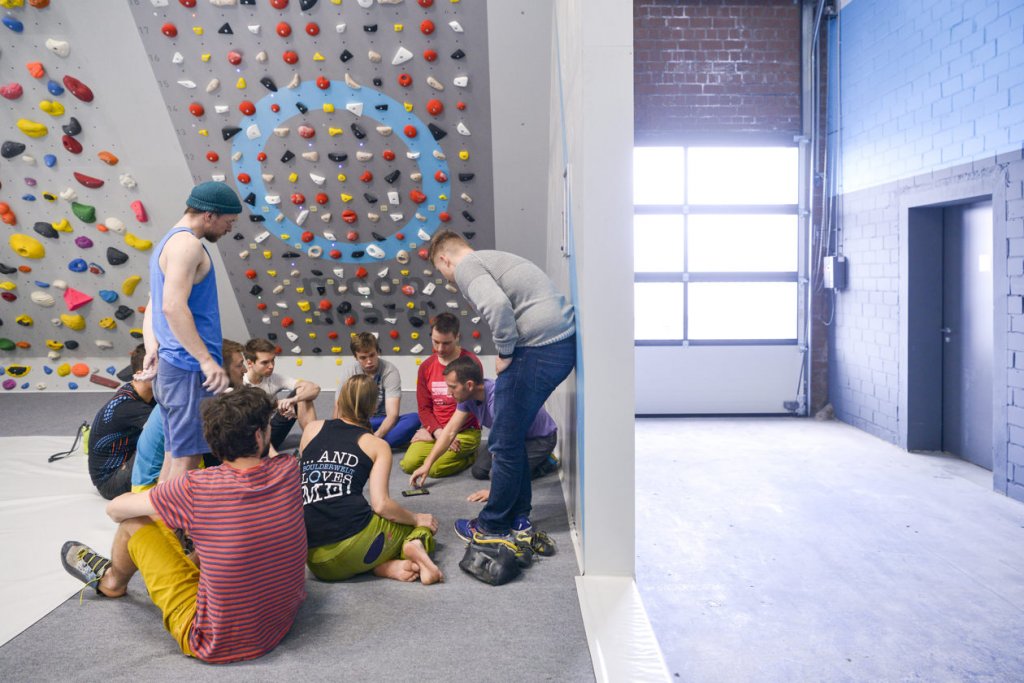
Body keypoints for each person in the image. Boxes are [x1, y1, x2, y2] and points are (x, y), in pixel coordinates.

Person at [59, 387, 307, 664]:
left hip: (214, 641)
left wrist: (162, 498)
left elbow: (114, 509)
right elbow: (265, 456)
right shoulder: (288, 469)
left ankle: (112, 582)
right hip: (278, 621)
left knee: (134, 521)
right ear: (259, 436)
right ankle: (183, 561)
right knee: (235, 527)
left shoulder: (197, 487)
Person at [428, 230, 576, 562]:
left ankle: (491, 525)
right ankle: (519, 517)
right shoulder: (492, 260)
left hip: (537, 348)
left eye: (441, 272)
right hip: (556, 344)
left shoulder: (467, 266)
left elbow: (496, 305)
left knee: (503, 442)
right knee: (512, 439)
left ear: (444, 259)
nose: (447, 279)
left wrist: (505, 351)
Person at [138, 181, 242, 483]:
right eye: (228, 221)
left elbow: (154, 304)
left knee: (174, 453)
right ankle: (172, 515)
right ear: (209, 215)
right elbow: (171, 307)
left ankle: (161, 511)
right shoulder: (188, 246)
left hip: (174, 364)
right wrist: (206, 361)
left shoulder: (168, 242)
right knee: (187, 459)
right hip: (188, 368)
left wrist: (152, 347)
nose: (229, 228)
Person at [299, 374, 442, 585]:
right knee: (420, 524)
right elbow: (381, 505)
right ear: (374, 408)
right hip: (355, 545)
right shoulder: (377, 445)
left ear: (339, 401)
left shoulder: (311, 430)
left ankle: (382, 567)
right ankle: (414, 545)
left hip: (314, 561)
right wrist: (415, 518)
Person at [409, 356, 560, 494]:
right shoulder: (468, 396)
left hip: (539, 439)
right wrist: (427, 464)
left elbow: (508, 445)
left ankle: (545, 463)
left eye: (453, 387)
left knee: (498, 475)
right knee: (479, 470)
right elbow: (449, 432)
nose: (449, 392)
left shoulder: (498, 402)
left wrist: (495, 492)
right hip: (512, 436)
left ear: (469, 385)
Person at [130, 339, 246, 493]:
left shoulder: (193, 396)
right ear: (221, 370)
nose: (245, 370)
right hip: (152, 486)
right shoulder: (194, 404)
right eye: (239, 365)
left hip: (158, 480)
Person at [399, 312, 483, 478]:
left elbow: (474, 404)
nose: (440, 349)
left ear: (457, 337)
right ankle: (439, 444)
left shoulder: (470, 363)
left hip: (464, 430)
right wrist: (435, 432)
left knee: (435, 469)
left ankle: (471, 456)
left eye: (446, 343)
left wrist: (448, 434)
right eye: (435, 342)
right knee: (408, 465)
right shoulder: (426, 367)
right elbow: (424, 408)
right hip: (437, 430)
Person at [87, 344, 156, 500]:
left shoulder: (142, 393)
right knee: (165, 441)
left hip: (124, 465)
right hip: (110, 482)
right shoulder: (129, 406)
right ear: (140, 374)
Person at [336, 332, 419, 449]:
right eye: (363, 358)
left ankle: (362, 444)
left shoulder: (390, 371)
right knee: (335, 427)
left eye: (372, 355)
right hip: (357, 421)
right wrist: (338, 432)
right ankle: (375, 446)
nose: (369, 361)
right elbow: (339, 408)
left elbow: (392, 414)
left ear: (378, 352)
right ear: (356, 357)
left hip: (380, 421)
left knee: (414, 419)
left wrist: (376, 437)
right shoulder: (349, 372)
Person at [243, 337, 321, 448]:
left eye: (273, 360)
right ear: (250, 363)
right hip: (250, 439)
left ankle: (315, 444)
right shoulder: (239, 383)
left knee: (302, 391)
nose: (271, 366)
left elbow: (314, 388)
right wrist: (277, 405)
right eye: (265, 362)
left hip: (271, 432)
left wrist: (293, 400)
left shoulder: (274, 378)